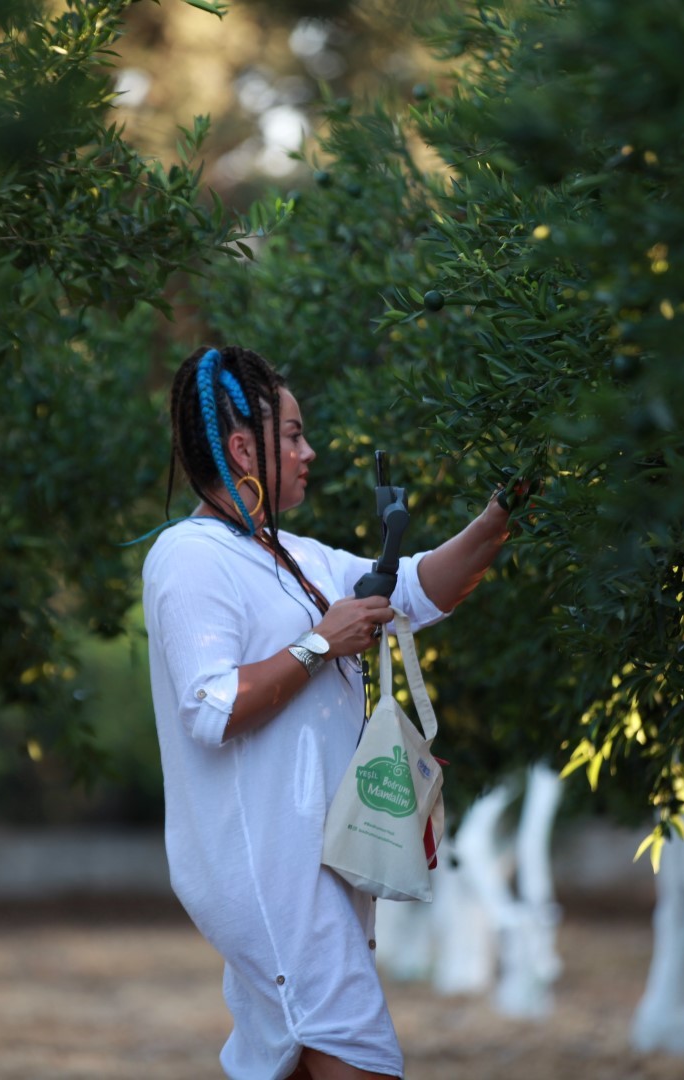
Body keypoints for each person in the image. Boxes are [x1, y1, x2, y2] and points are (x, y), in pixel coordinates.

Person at [141, 345, 518, 1080]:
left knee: (290, 1059)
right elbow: (211, 710)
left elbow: (413, 590)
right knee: (358, 1050)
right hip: (267, 868)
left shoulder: (295, 556)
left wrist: (502, 514)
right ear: (244, 447)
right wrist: (321, 643)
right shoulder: (187, 558)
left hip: (315, 858)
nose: (309, 452)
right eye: (293, 435)